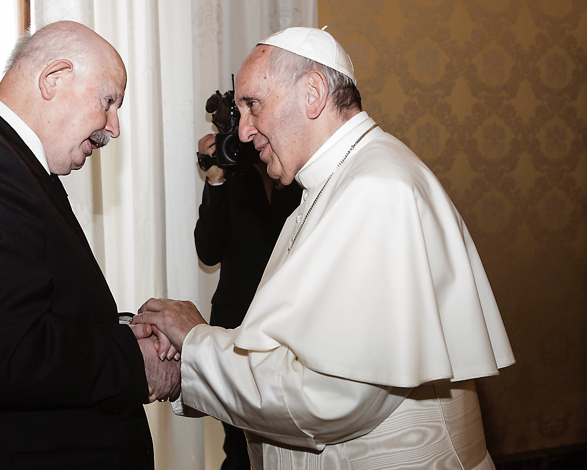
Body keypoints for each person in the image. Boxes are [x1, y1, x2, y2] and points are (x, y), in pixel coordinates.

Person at [135, 26, 515, 470]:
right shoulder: (328, 187)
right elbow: (291, 351)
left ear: (313, 93)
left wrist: (196, 347)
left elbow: (330, 397)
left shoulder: (376, 188)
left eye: (253, 105)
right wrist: (196, 352)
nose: (242, 133)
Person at [0, 21, 179, 469]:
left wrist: (123, 330)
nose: (114, 127)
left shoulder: (5, 162)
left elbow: (30, 313)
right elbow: (12, 352)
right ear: (54, 79)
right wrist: (136, 361)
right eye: (109, 102)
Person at [194, 133, 301, 470]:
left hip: (291, 322)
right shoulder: (233, 173)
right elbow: (208, 251)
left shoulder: (301, 170)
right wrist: (216, 180)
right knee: (237, 447)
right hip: (234, 324)